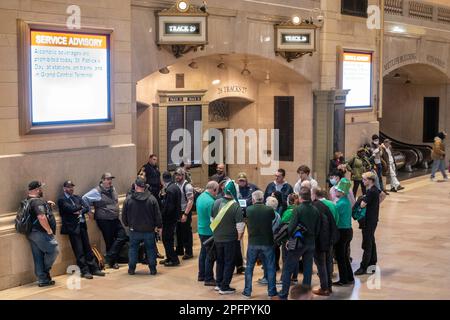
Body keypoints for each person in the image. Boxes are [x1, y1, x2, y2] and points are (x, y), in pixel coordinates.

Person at [273, 187, 321, 300]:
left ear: (300, 197)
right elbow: (318, 228)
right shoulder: (315, 210)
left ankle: (283, 294)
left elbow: (291, 228)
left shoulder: (298, 209)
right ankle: (306, 295)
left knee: (288, 268)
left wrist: (289, 240)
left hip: (298, 243)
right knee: (308, 269)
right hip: (311, 243)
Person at [58, 180, 105, 279]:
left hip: (82, 225)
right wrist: (79, 208)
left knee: (87, 248)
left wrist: (78, 210)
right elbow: (70, 209)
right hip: (73, 228)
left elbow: (86, 207)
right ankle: (84, 270)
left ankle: (94, 268)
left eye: (72, 187)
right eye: (68, 187)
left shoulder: (77, 197)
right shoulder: (62, 200)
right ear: (64, 188)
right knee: (79, 250)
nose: (71, 189)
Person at [83, 172, 127, 269]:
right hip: (104, 220)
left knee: (122, 236)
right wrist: (89, 211)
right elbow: (84, 198)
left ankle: (109, 256)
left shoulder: (113, 189)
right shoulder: (97, 191)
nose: (110, 181)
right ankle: (113, 262)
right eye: (107, 179)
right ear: (102, 180)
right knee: (109, 241)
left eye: (111, 179)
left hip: (115, 218)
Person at [122, 177, 162, 275]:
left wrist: (128, 224)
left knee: (133, 249)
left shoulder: (128, 200)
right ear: (145, 186)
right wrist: (159, 226)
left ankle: (131, 269)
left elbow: (124, 215)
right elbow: (157, 215)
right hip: (149, 230)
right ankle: (152, 269)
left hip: (134, 230)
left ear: (135, 186)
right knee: (151, 249)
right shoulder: (152, 199)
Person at [211, 180, 245, 295]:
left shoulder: (216, 202)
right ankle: (225, 287)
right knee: (229, 262)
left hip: (217, 238)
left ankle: (219, 283)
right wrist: (239, 239)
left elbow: (212, 220)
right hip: (230, 239)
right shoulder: (236, 206)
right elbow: (240, 226)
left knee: (220, 261)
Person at [242, 190, 277, 299]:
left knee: (249, 267)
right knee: (271, 267)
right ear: (262, 199)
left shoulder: (248, 209)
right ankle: (271, 292)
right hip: (267, 242)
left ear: (253, 199)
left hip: (253, 242)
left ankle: (247, 292)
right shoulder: (269, 210)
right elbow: (272, 219)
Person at [26, 181, 59, 287]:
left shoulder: (29, 200)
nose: (42, 191)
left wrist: (46, 204)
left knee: (38, 256)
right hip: (40, 233)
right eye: (41, 189)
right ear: (37, 190)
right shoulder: (37, 202)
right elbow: (41, 217)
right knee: (54, 250)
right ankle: (44, 272)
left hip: (32, 232)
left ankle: (42, 279)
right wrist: (49, 230)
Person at [311, 188, 338, 296]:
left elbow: (317, 226)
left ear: (314, 195)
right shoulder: (325, 206)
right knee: (327, 263)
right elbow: (332, 222)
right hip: (329, 240)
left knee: (321, 265)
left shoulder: (315, 206)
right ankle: (329, 286)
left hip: (321, 242)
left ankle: (324, 288)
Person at [354, 172, 380, 276]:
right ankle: (372, 265)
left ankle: (363, 266)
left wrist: (361, 198)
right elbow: (382, 195)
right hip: (373, 219)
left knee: (367, 244)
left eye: (364, 179)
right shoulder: (375, 190)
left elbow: (362, 204)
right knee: (371, 242)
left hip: (368, 221)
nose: (363, 181)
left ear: (370, 180)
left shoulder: (371, 192)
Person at [196, 181, 219, 286]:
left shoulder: (200, 197)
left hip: (201, 230)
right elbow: (213, 219)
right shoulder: (210, 202)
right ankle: (208, 278)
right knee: (211, 255)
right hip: (209, 232)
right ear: (214, 189)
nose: (217, 193)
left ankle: (201, 274)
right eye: (216, 191)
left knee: (203, 253)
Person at [333, 178, 355, 286]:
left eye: (337, 190)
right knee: (345, 256)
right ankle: (349, 276)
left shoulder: (340, 204)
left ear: (341, 192)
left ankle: (343, 280)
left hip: (342, 232)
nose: (335, 191)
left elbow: (334, 216)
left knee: (340, 257)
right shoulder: (346, 201)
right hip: (348, 231)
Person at [235, 172, 258, 274]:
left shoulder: (253, 187)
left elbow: (259, 196)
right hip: (239, 216)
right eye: (240, 180)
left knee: (251, 237)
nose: (241, 182)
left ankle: (251, 258)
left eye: (243, 180)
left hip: (250, 216)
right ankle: (241, 260)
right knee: (239, 238)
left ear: (246, 180)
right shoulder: (235, 189)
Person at [159, 171, 181, 267]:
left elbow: (170, 207)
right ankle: (169, 257)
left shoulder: (170, 190)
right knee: (169, 238)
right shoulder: (175, 187)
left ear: (163, 180)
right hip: (173, 218)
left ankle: (174, 259)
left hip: (169, 219)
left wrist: (162, 215)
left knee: (166, 239)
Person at [174, 168, 194, 260]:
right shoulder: (176, 184)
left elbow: (190, 201)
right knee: (178, 231)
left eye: (179, 175)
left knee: (186, 232)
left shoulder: (187, 186)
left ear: (183, 175)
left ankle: (189, 252)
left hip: (185, 211)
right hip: (178, 211)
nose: (177, 177)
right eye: (176, 175)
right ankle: (179, 249)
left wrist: (185, 214)